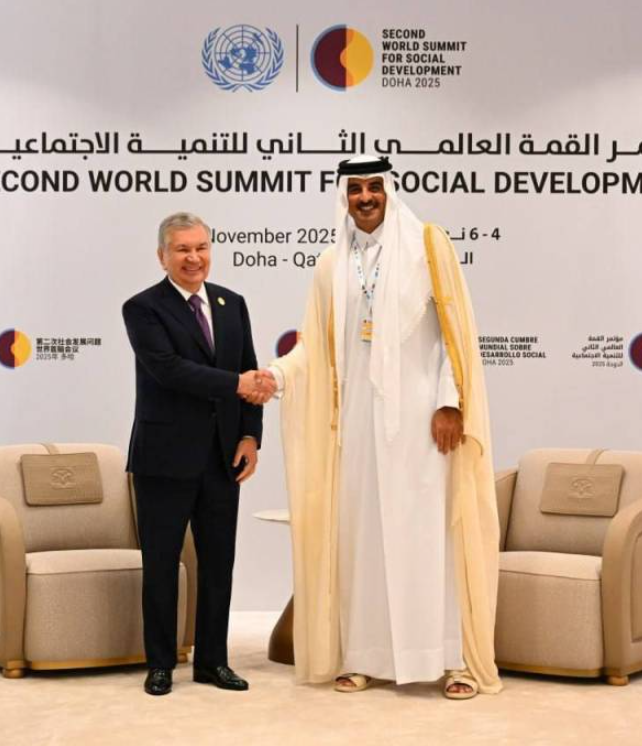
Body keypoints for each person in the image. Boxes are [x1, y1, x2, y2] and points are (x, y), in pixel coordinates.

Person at [269, 156, 503, 699]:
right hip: (357, 424)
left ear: (389, 191)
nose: (366, 197)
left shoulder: (428, 248)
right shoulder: (332, 264)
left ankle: (450, 660)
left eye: (375, 186)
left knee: (428, 535)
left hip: (422, 422)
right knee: (365, 539)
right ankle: (366, 658)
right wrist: (276, 376)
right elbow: (314, 346)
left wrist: (450, 402)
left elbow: (453, 335)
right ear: (344, 197)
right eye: (356, 189)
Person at [122, 211, 275, 696]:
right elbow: (169, 370)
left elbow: (249, 369)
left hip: (222, 459)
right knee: (161, 565)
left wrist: (250, 436)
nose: (194, 258)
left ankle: (213, 662)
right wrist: (237, 384)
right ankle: (160, 664)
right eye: (182, 249)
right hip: (164, 459)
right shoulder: (142, 308)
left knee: (218, 565)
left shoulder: (233, 303)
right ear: (162, 256)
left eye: (201, 247)